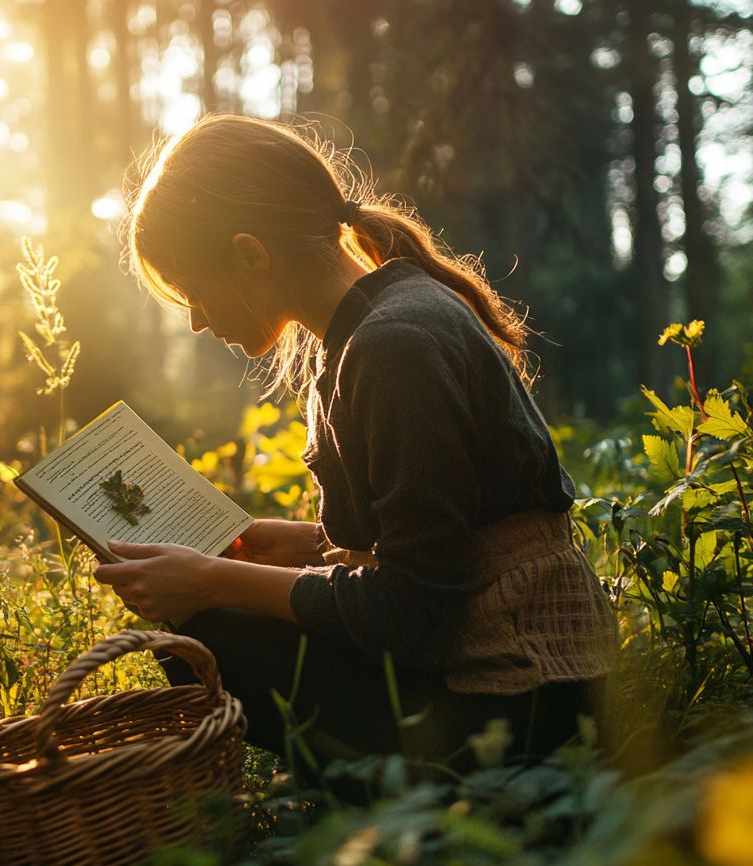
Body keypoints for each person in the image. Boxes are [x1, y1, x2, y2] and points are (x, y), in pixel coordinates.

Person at [92, 114, 616, 769]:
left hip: (521, 698)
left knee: (208, 639)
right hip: (490, 671)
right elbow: (430, 536)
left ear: (251, 254)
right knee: (208, 629)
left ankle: (428, 803)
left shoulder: (395, 346)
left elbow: (416, 615)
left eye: (196, 294)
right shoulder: (364, 331)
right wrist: (287, 543)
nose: (197, 322)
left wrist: (215, 582)